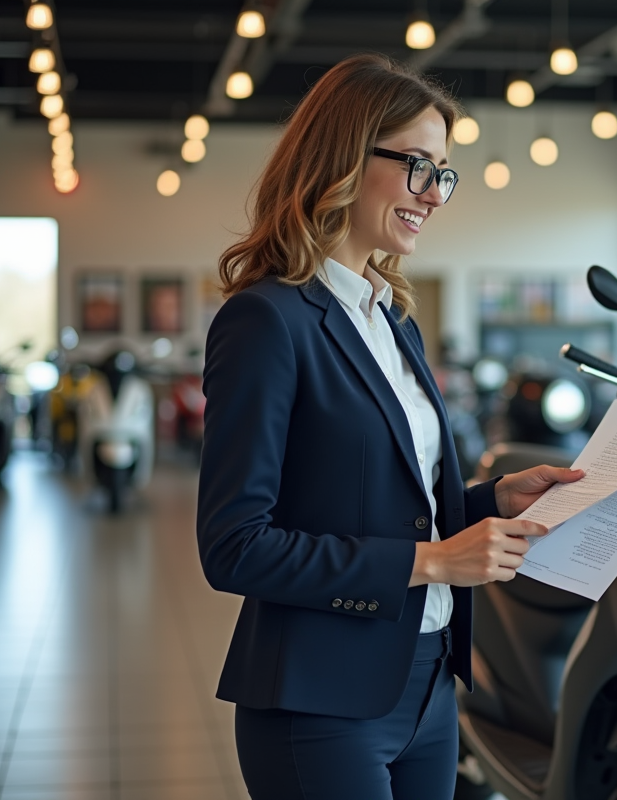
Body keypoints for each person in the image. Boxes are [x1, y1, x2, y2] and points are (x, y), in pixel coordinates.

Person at [195, 54, 583, 800]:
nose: (433, 195)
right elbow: (235, 547)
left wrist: (492, 501)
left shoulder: (391, 318)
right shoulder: (267, 319)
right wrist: (434, 563)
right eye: (416, 166)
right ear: (342, 157)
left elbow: (384, 504)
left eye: (443, 174)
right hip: (319, 702)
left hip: (428, 684)